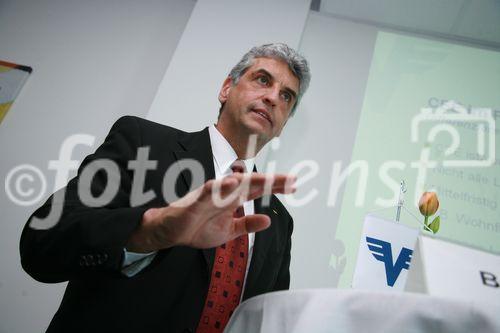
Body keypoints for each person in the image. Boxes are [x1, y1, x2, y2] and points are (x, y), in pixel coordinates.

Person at [20, 43, 311, 333]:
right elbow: (42, 242)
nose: (273, 97)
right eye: (263, 80)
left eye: (287, 96)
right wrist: (148, 232)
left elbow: (269, 320)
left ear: (283, 124)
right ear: (226, 89)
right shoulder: (142, 143)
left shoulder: (278, 220)